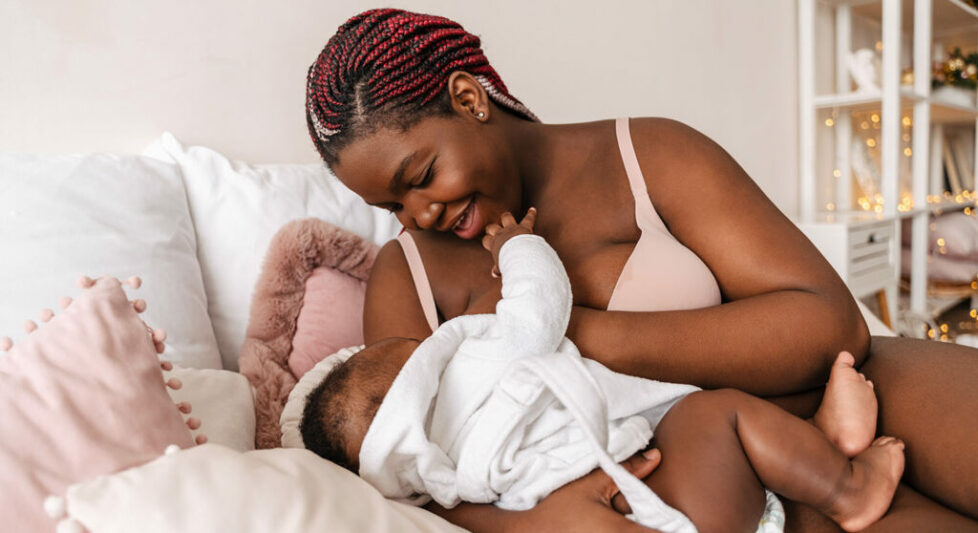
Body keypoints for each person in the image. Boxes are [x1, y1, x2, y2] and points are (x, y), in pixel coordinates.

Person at [305, 8, 978, 532]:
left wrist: (564, 334)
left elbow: (827, 321)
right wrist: (533, 523)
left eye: (420, 176)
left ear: (469, 99)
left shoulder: (648, 152)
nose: (417, 213)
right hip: (702, 491)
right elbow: (400, 472)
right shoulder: (409, 274)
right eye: (391, 204)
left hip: (841, 392)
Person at [299, 208, 904, 533]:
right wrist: (516, 247)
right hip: (669, 500)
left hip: (644, 498)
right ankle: (846, 487)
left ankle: (813, 448)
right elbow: (538, 310)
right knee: (716, 411)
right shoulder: (471, 370)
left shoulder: (434, 484)